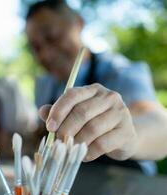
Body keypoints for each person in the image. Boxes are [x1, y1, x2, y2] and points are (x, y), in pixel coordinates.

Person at [25, 0, 167, 175]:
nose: (46, 54)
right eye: (36, 48)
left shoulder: (122, 72)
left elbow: (161, 126)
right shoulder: (44, 85)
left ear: (78, 23)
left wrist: (130, 136)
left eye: (52, 37)